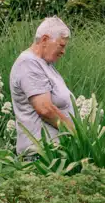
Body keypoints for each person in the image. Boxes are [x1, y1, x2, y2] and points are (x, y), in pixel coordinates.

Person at [9, 17, 75, 158]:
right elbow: (45, 109)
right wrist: (78, 134)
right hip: (41, 157)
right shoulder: (28, 64)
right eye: (61, 45)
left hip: (53, 154)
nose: (63, 51)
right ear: (45, 39)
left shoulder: (44, 64)